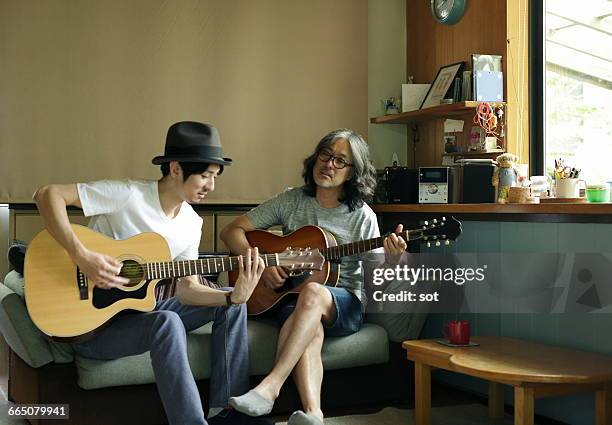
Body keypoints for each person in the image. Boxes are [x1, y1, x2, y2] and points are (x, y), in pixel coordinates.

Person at [33, 121, 272, 425]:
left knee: (233, 304)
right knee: (167, 321)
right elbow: (47, 194)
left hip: (142, 309)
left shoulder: (191, 223)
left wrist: (232, 298)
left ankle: (226, 411)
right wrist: (81, 256)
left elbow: (187, 289)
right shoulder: (127, 195)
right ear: (175, 168)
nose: (211, 186)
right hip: (96, 324)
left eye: (214, 177)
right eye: (204, 175)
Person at [220, 128, 407, 425]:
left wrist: (393, 260)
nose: (329, 164)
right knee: (311, 326)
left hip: (344, 305)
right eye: (326, 155)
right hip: (294, 302)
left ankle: (270, 387)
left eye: (340, 161)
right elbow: (231, 231)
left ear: (352, 173)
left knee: (315, 293)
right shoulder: (291, 200)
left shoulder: (363, 216)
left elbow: (378, 282)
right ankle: (313, 415)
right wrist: (262, 267)